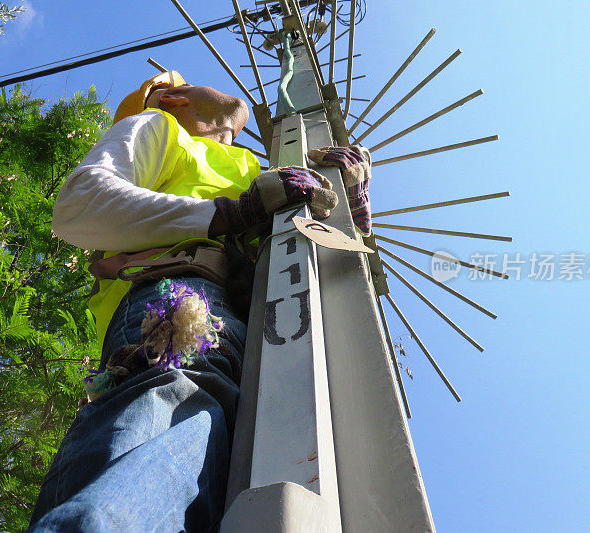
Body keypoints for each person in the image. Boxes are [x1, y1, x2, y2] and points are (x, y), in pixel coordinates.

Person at [27, 70, 371, 532]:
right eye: (188, 83)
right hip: (184, 293)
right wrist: (231, 213)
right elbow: (80, 205)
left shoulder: (252, 168)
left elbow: (317, 265)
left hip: (269, 332)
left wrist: (346, 198)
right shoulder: (160, 128)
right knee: (175, 401)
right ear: (173, 99)